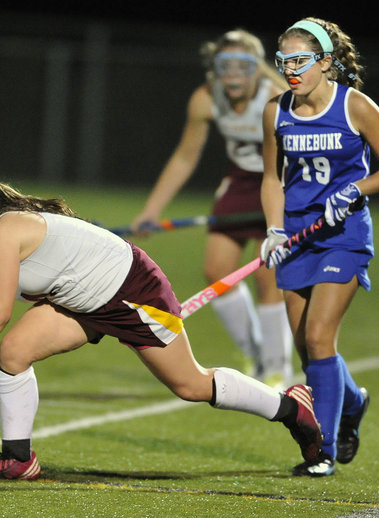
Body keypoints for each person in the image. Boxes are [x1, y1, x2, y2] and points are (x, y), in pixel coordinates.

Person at [0, 178, 324, 480]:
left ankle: (291, 407)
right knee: (15, 353)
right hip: (79, 301)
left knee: (192, 385)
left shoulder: (4, 232)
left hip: (130, 291)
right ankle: (18, 458)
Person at [260, 18, 379, 476]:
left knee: (322, 337)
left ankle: (320, 450)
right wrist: (273, 230)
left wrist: (355, 190)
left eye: (301, 61)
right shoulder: (275, 110)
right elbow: (271, 178)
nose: (291, 70)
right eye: (284, 61)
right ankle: (354, 400)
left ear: (326, 62)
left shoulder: (356, 107)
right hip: (299, 234)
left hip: (343, 235)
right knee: (307, 348)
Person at [129, 30, 293, 389]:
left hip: (280, 183)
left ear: (258, 69)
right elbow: (186, 156)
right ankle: (256, 355)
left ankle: (279, 369)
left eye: (243, 66)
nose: (233, 75)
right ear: (215, 70)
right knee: (216, 270)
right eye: (225, 66)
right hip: (239, 183)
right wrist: (151, 210)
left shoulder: (280, 97)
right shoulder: (205, 99)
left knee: (270, 275)